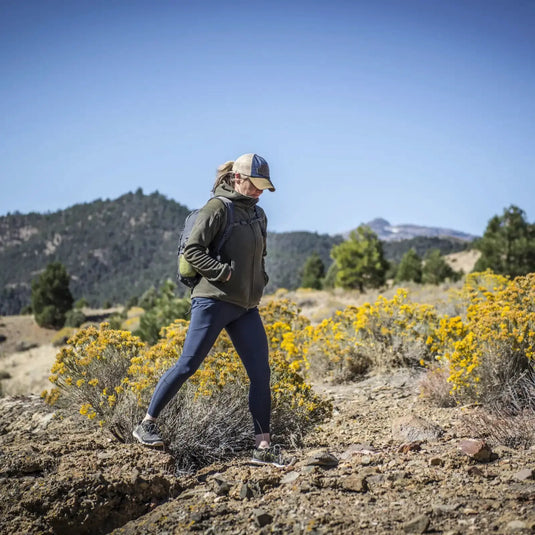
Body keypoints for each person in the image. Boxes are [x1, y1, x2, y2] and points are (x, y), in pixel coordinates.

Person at [133, 153, 285, 466]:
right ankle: (146, 424)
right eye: (254, 184)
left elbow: (261, 256)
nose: (258, 191)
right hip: (213, 300)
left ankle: (262, 447)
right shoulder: (217, 208)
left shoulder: (258, 216)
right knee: (188, 364)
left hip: (246, 307)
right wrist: (222, 273)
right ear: (238, 178)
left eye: (263, 187)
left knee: (260, 374)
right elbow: (193, 250)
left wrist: (260, 280)